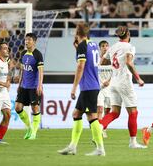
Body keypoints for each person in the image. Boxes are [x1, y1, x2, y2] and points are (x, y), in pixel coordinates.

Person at [58, 23, 105, 156]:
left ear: (77, 33)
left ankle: (100, 149)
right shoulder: (93, 44)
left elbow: (81, 66)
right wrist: (77, 49)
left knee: (92, 117)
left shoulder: (82, 46)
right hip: (92, 85)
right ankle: (73, 146)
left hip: (88, 87)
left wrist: (74, 87)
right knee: (76, 114)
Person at [99, 26, 146, 149]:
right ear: (128, 34)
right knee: (133, 112)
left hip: (113, 82)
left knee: (115, 112)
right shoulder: (129, 47)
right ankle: (133, 142)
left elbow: (103, 62)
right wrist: (138, 78)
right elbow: (129, 63)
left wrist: (115, 66)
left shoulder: (113, 47)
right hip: (124, 82)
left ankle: (99, 127)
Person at [15, 33, 44, 140]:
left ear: (34, 42)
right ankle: (29, 128)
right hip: (23, 86)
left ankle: (34, 133)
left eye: (29, 40)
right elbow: (22, 70)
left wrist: (40, 85)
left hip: (34, 86)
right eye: (26, 40)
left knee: (35, 108)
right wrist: (19, 84)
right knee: (18, 107)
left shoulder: (38, 55)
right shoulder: (23, 53)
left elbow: (41, 71)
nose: (27, 42)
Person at [97, 40, 112, 138]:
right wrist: (102, 83)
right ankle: (98, 130)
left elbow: (115, 72)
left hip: (110, 88)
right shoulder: (96, 59)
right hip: (99, 88)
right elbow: (94, 73)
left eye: (107, 45)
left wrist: (109, 81)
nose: (105, 47)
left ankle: (104, 128)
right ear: (100, 48)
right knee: (100, 109)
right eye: (103, 46)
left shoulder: (111, 60)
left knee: (108, 110)